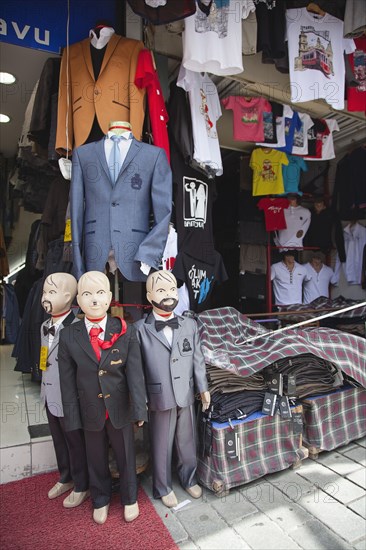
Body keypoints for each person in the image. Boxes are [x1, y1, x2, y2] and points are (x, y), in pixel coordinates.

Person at [58, 271, 147, 525]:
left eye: (100, 293)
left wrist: (139, 409)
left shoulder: (124, 330)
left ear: (109, 297)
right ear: (78, 299)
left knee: (126, 454)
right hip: (89, 409)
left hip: (119, 407)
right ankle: (100, 499)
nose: (94, 300)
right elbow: (67, 381)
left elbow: (135, 374)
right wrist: (71, 418)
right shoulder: (68, 336)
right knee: (94, 456)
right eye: (87, 294)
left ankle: (130, 497)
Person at [135, 270, 210, 508]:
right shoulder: (139, 329)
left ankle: (189, 478)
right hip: (159, 395)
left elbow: (197, 359)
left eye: (171, 290)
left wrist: (203, 387)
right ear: (149, 296)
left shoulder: (189, 324)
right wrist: (141, 401)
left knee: (187, 440)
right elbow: (137, 371)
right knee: (161, 444)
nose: (167, 295)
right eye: (160, 290)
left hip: (186, 392)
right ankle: (162, 486)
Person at [40, 272, 89, 507]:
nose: (45, 297)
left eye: (51, 292)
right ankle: (66, 477)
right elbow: (44, 360)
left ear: (68, 297)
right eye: (44, 293)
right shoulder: (44, 326)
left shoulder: (79, 328)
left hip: (69, 396)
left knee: (74, 441)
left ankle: (82, 484)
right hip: (49, 393)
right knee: (58, 439)